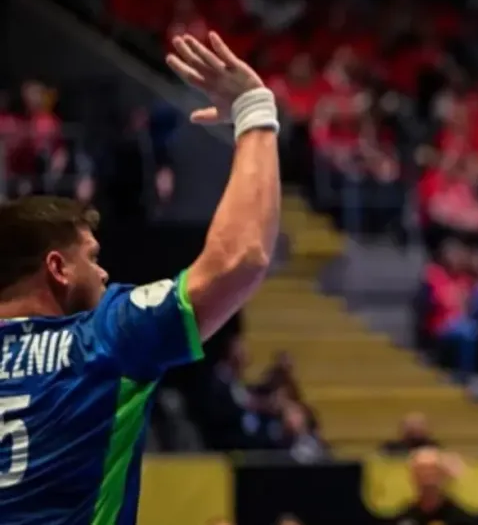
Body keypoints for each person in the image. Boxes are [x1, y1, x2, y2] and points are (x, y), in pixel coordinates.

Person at [0, 32, 281, 523]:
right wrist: (255, 111)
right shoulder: (103, 338)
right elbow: (242, 258)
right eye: (92, 257)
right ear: (57, 268)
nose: (105, 272)